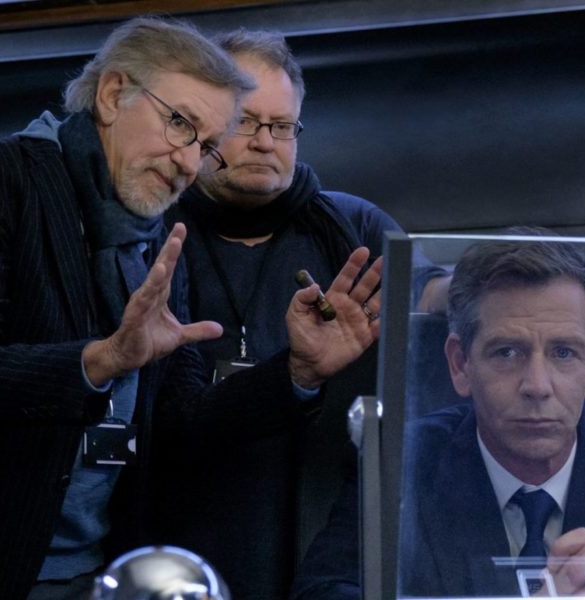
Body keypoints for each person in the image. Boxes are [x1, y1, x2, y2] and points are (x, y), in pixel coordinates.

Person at [0, 17, 385, 600]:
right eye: (180, 123)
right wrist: (99, 361)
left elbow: (180, 422)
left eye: (205, 145)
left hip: (87, 574)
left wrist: (298, 372)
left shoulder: (154, 239)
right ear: (112, 94)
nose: (189, 162)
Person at [151, 29, 448, 600]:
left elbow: (433, 293)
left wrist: (488, 280)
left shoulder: (352, 226)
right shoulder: (156, 228)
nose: (266, 142)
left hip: (318, 513)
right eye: (245, 122)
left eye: (282, 126)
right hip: (181, 517)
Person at [291, 233, 585, 598]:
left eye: (564, 353)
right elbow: (324, 592)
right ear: (460, 364)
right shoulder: (400, 462)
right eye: (507, 352)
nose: (537, 386)